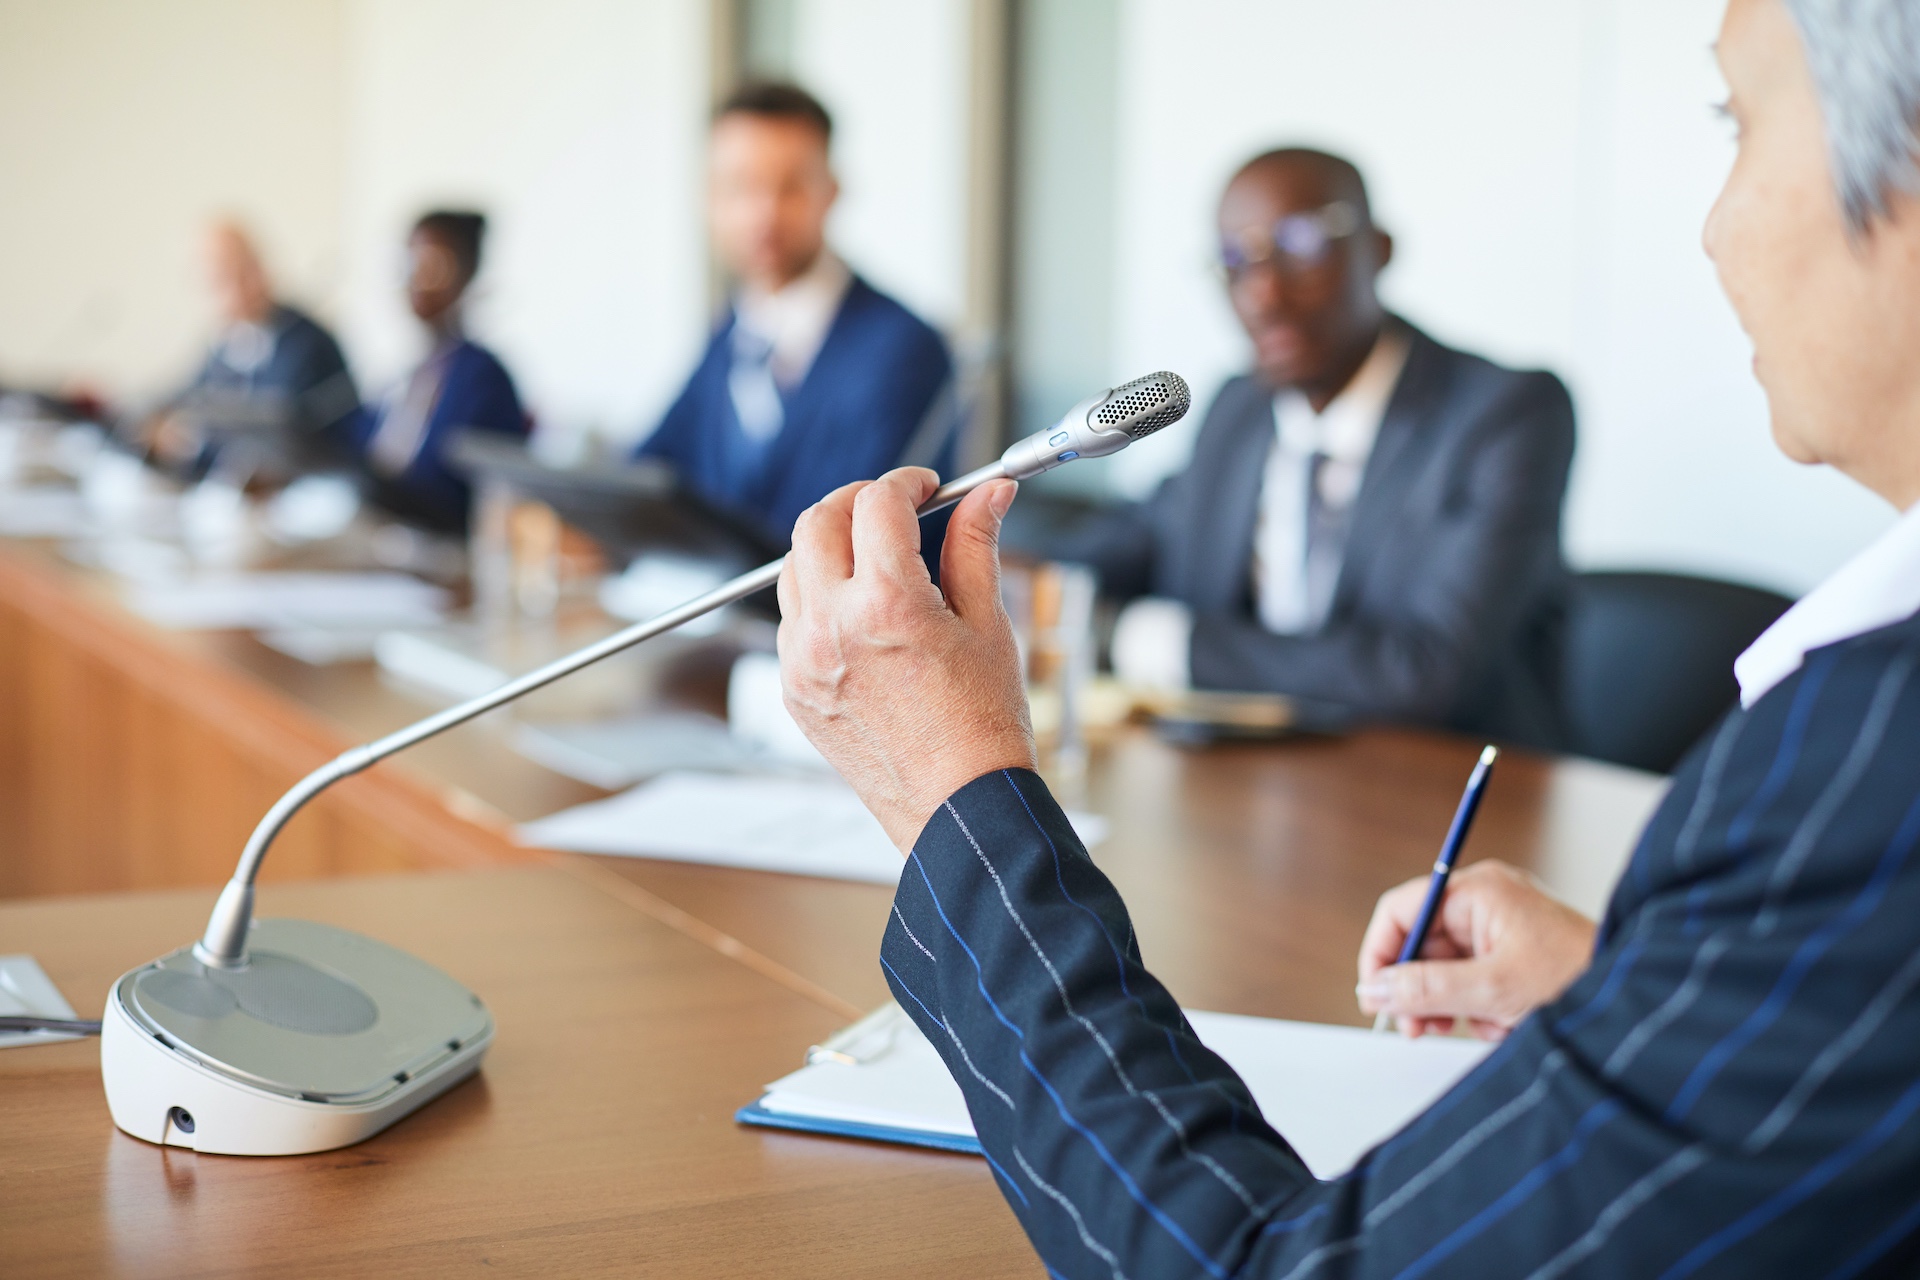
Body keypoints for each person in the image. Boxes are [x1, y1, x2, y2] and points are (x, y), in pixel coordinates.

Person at [772, 0, 1920, 1273]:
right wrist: (1643, 997)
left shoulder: (1860, 768)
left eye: (1736, 121)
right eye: (1234, 259)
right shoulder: (1234, 421)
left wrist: (950, 780)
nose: (1711, 230)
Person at [1057, 150, 1574, 746]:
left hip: (1451, 796)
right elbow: (1142, 534)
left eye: (1301, 245)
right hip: (1252, 782)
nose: (1264, 293)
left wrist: (1145, 639)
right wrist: (1008, 571)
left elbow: (1426, 671)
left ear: (1378, 250)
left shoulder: (1505, 415)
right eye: (1234, 261)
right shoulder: (1240, 409)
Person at [637, 82, 955, 552]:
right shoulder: (732, 330)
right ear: (710, 199)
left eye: (790, 187)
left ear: (830, 191)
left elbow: (881, 533)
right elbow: (653, 465)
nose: (763, 213)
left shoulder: (904, 348)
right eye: (739, 187)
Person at [350, 211, 529, 532]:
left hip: (434, 548)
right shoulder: (406, 373)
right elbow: (362, 453)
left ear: (467, 276)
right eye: (410, 262)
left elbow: (464, 499)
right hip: (378, 529)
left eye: (431, 265)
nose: (415, 278)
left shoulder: (484, 379)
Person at [148, 220, 359, 481]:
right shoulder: (228, 342)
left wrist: (197, 436)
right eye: (216, 279)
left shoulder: (306, 343)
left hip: (312, 485)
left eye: (238, 272)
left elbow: (283, 425)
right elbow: (188, 397)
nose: (230, 288)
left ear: (260, 269)